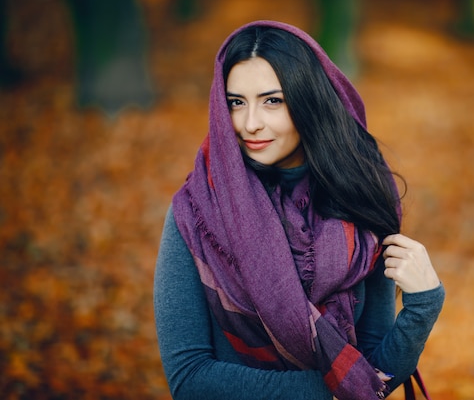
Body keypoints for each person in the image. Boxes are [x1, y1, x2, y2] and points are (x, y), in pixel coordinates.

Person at [153, 20, 445, 400]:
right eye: (236, 103)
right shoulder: (196, 214)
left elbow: (378, 375)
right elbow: (189, 378)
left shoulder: (362, 199)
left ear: (308, 100)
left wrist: (424, 304)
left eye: (272, 100)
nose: (249, 124)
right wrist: (336, 391)